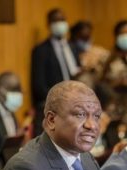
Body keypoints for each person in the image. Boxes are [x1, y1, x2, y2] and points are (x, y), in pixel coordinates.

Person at [31, 8, 80, 136]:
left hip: (76, 104)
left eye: (62, 20)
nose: (60, 23)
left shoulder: (73, 47)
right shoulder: (40, 50)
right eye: (55, 21)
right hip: (54, 106)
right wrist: (59, 101)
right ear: (48, 25)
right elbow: (39, 85)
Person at [69, 20, 110, 89]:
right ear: (74, 36)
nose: (86, 41)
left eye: (87, 37)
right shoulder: (69, 52)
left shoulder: (98, 51)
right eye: (82, 38)